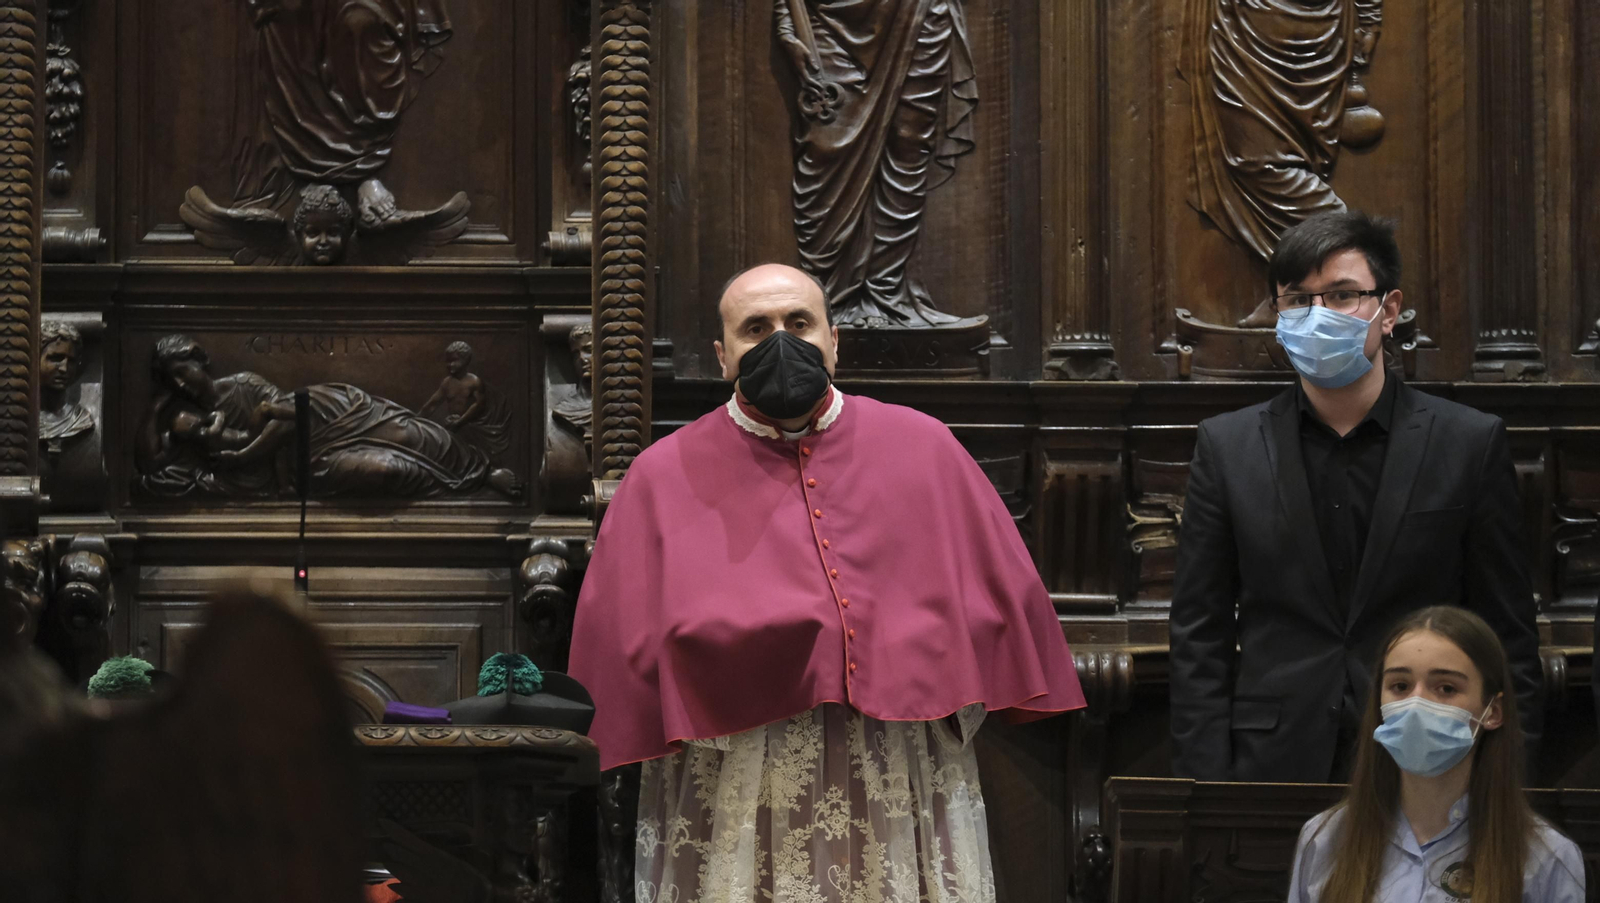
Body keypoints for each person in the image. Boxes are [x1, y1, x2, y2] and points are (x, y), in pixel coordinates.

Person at [568, 263, 1084, 902]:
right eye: (755, 328)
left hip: (896, 762)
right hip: (740, 776)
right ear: (723, 355)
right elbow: (617, 654)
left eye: (799, 323)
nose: (781, 341)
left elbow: (1002, 602)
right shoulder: (662, 475)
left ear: (834, 342)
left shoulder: (923, 447)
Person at [1169, 211, 1542, 783]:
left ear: (1388, 310)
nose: (1318, 316)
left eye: (1343, 295)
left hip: (1430, 763)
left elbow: (1507, 633)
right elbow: (1200, 633)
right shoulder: (1228, 447)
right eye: (1297, 300)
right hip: (1271, 766)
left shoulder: (1469, 442)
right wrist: (1206, 787)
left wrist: (1512, 782)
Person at [1287, 606, 1583, 903]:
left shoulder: (1547, 859)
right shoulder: (1325, 840)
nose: (1416, 705)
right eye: (1400, 686)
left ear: (1492, 711)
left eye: (1445, 688)